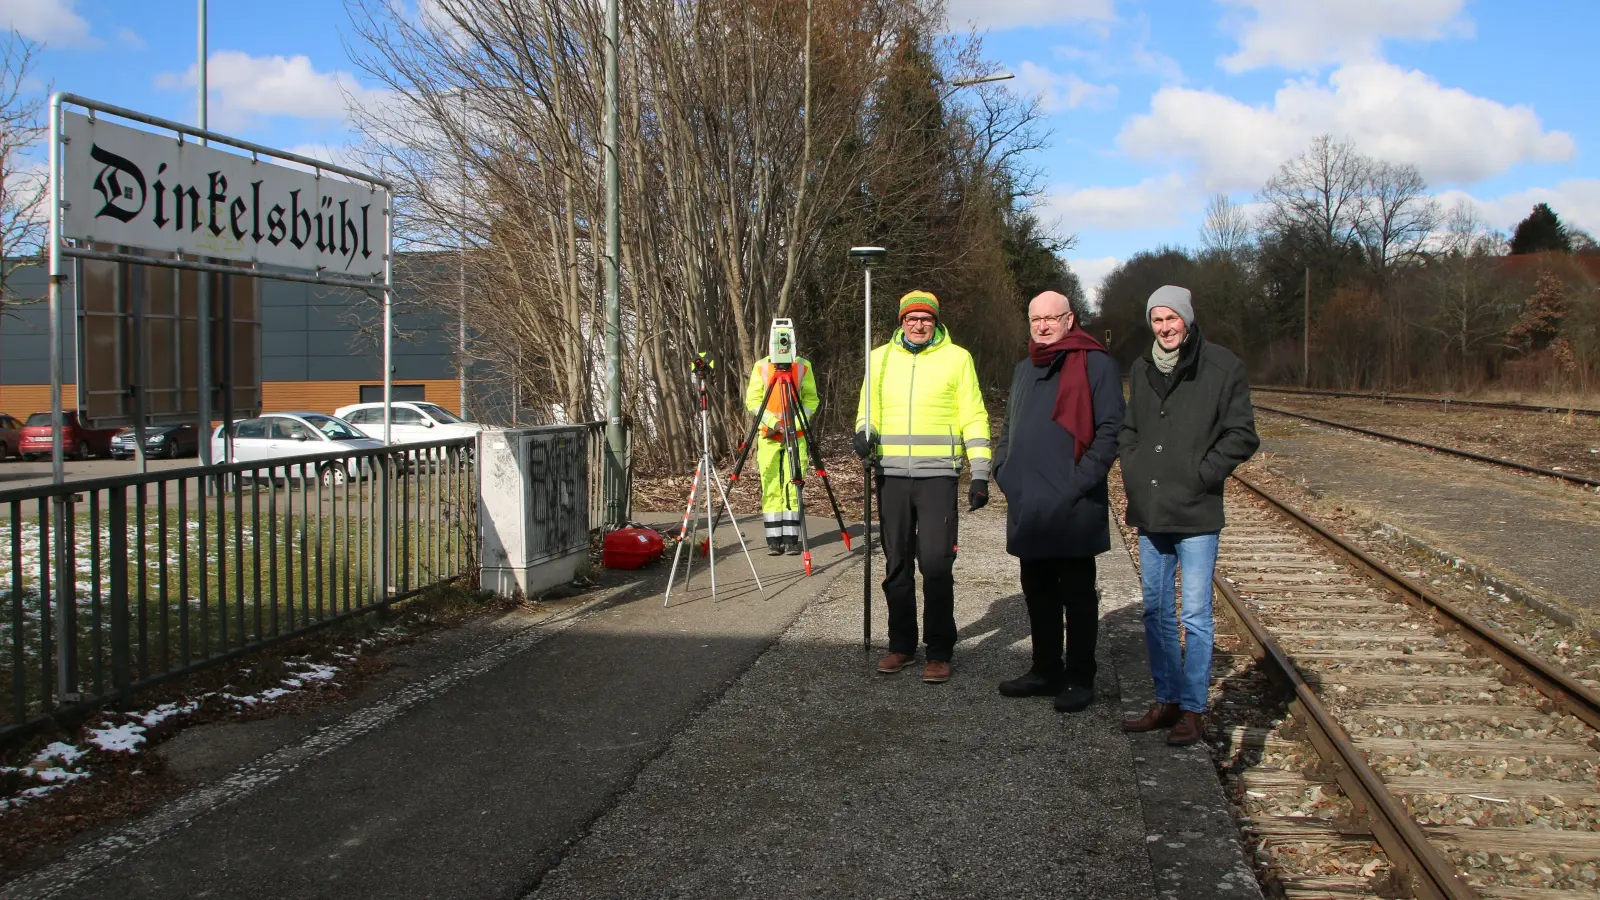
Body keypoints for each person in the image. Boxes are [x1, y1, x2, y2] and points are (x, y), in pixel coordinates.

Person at [1120, 285, 1259, 745]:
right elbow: (1130, 429)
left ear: (1187, 319)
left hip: (1197, 510)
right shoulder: (1141, 369)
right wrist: (1134, 468)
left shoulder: (1222, 366)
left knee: (1196, 614)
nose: (1165, 328)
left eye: (1171, 319)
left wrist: (1204, 474)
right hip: (1152, 509)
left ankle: (1194, 710)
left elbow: (1242, 434)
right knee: (1156, 611)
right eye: (1157, 320)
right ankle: (1168, 701)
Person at [992, 290, 1124, 713]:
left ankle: (1080, 677)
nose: (1043, 326)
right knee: (1037, 590)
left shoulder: (1095, 363)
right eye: (1036, 319)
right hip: (1029, 501)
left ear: (1070, 319)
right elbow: (1009, 427)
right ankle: (1045, 669)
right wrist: (1003, 470)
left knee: (1078, 594)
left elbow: (1110, 432)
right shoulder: (1023, 369)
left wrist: (1078, 483)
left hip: (1073, 503)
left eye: (1052, 318)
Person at [854, 290, 991, 684]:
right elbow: (868, 410)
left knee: (934, 563)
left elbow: (974, 415)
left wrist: (980, 472)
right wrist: (863, 434)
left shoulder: (957, 358)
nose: (918, 325)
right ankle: (901, 645)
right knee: (896, 563)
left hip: (937, 477)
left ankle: (940, 650)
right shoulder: (878, 358)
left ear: (936, 322)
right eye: (911, 318)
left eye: (926, 319)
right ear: (901, 321)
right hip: (891, 475)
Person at [744, 352, 820, 555]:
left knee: (792, 484)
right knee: (771, 486)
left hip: (797, 435)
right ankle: (773, 539)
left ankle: (791, 539)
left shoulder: (803, 365)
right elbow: (753, 401)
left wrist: (793, 426)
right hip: (769, 436)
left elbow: (811, 400)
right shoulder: (761, 366)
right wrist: (774, 424)